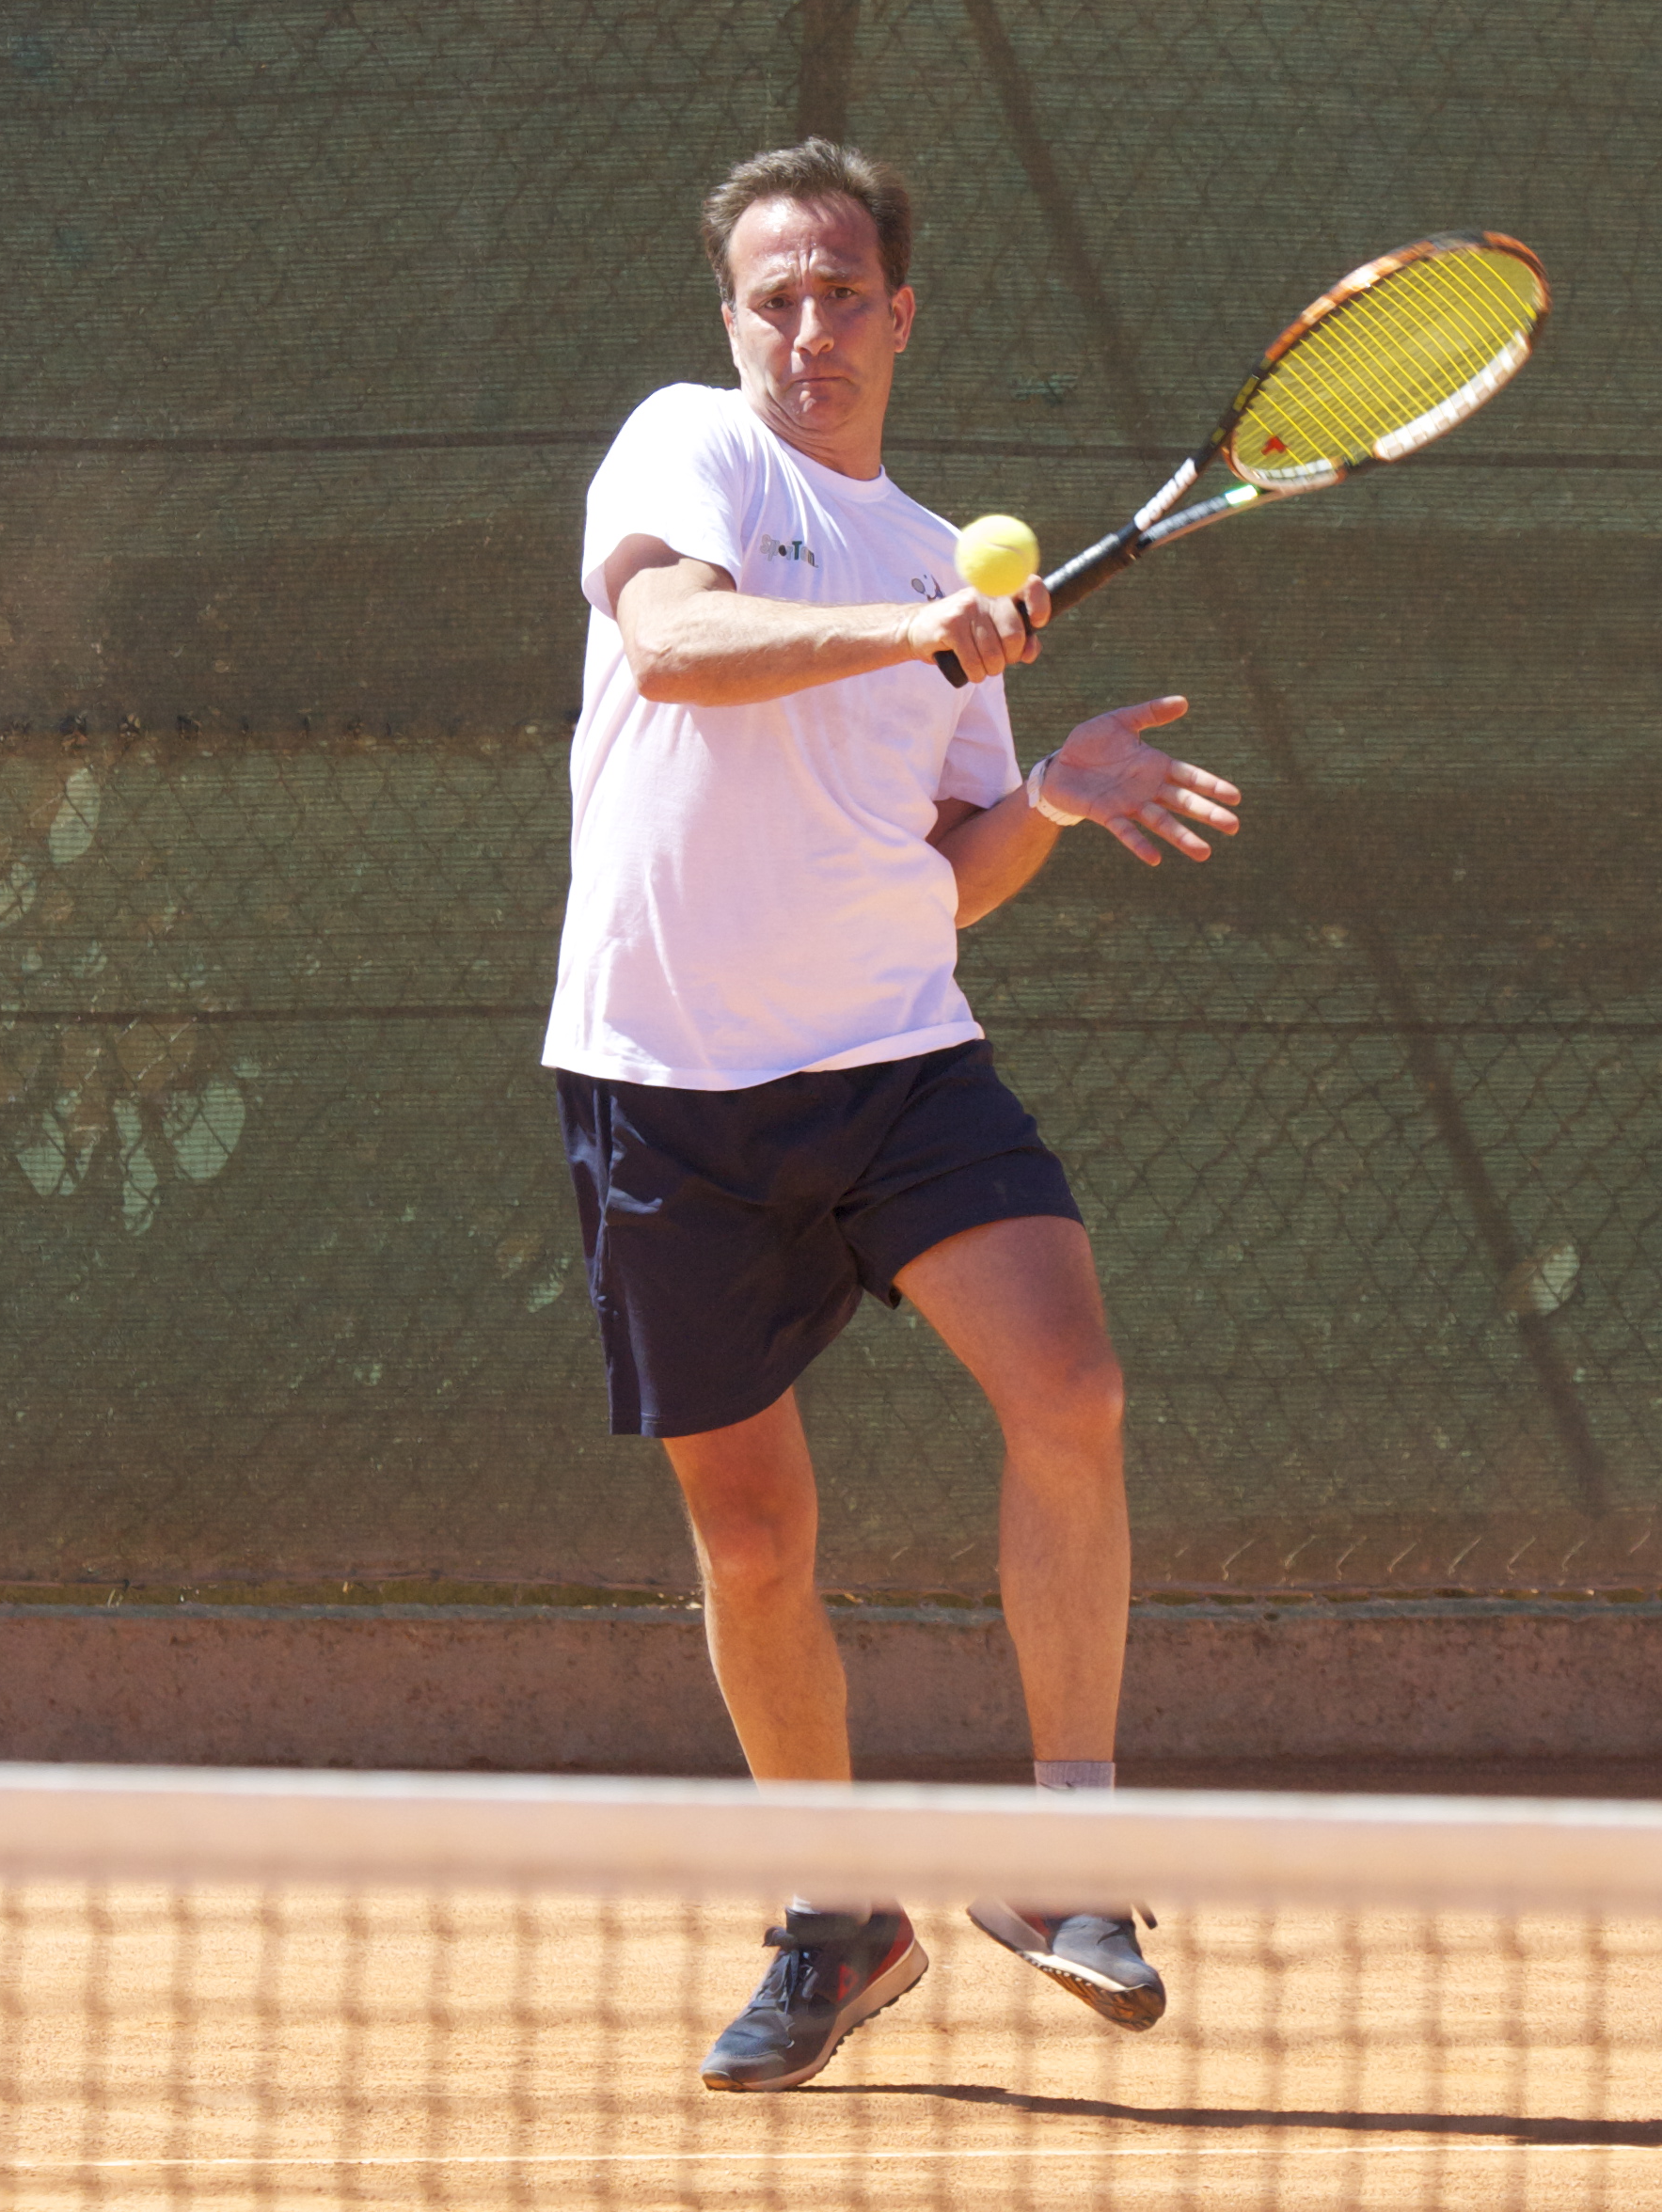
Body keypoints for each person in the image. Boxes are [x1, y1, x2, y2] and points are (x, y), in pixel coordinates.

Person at [542, 138, 1242, 2092]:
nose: (807, 327)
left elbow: (940, 869)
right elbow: (673, 649)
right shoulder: (688, 449)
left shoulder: (947, 560)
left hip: (893, 1059)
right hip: (665, 1082)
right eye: (773, 295)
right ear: (730, 320)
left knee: (1072, 1388)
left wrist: (1051, 801)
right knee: (756, 1538)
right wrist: (919, 630)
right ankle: (835, 1916)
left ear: (900, 314)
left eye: (841, 291)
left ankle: (1068, 1852)